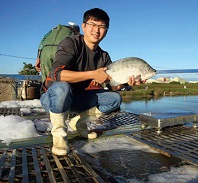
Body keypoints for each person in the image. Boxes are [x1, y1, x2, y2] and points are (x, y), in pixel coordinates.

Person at [40, 8, 143, 156]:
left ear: (106, 31)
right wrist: (92, 74)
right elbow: (56, 74)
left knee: (114, 99)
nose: (96, 30)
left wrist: (127, 82)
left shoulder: (104, 56)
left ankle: (79, 122)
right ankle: (59, 136)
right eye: (92, 25)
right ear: (83, 26)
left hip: (79, 100)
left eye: (102, 27)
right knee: (62, 87)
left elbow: (112, 85)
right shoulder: (71, 43)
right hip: (53, 98)